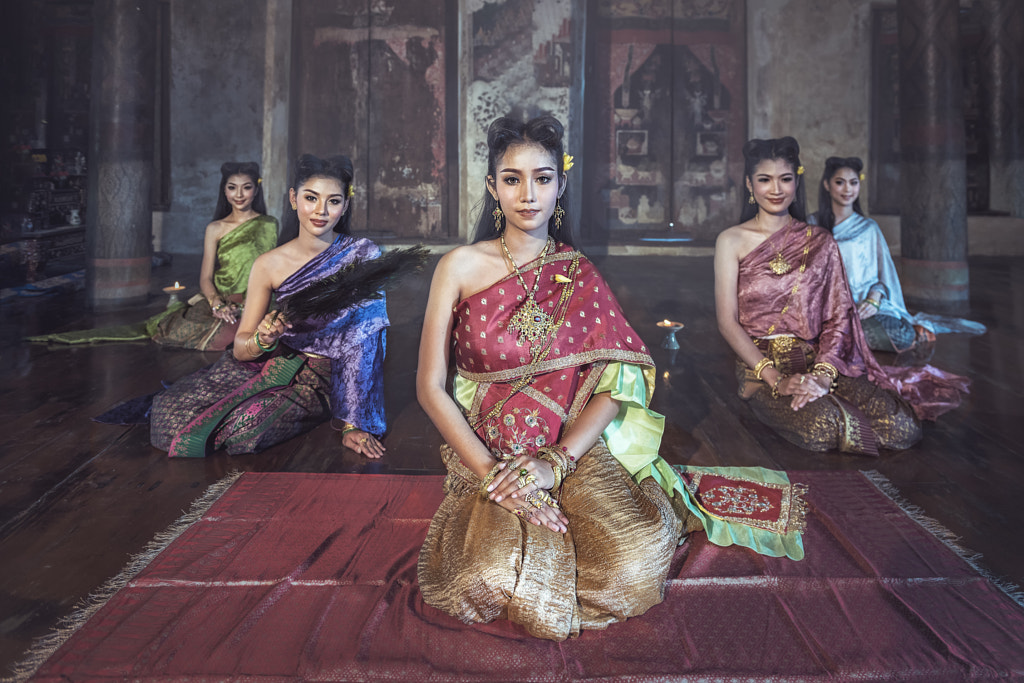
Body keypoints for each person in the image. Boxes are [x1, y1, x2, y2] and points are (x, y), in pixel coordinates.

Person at [416, 116, 807, 642]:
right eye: (512, 179)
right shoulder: (459, 266)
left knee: (636, 563)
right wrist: (495, 475)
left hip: (571, 446)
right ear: (492, 188)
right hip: (490, 449)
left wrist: (556, 464)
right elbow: (429, 386)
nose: (528, 194)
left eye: (543, 178)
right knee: (484, 577)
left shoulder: (579, 271)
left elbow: (612, 388)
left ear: (562, 184)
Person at [714, 137, 967, 457]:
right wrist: (776, 379)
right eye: (765, 179)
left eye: (785, 179)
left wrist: (820, 376)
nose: (775, 189)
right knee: (823, 426)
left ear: (797, 183)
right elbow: (727, 321)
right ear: (750, 185)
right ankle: (783, 400)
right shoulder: (731, 241)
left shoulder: (820, 241)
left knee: (902, 425)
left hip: (820, 362)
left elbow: (839, 316)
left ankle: (823, 394)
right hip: (762, 368)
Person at [149, 154, 388, 458]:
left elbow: (368, 342)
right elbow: (240, 347)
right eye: (311, 198)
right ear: (293, 198)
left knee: (246, 428)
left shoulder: (361, 255)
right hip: (281, 361)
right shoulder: (268, 264)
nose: (321, 211)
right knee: (169, 412)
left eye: (333, 201)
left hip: (331, 377)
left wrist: (354, 422)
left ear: (345, 206)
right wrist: (264, 338)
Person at [27, 162, 278, 350]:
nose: (239, 194)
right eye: (232, 188)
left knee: (256, 334)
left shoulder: (269, 224)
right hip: (221, 298)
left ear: (256, 191)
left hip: (256, 298)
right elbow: (205, 277)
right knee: (177, 332)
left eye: (246, 188)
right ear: (224, 191)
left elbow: (273, 271)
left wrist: (252, 302)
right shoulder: (215, 228)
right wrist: (215, 303)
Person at [810, 156, 985, 352]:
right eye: (839, 182)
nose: (847, 189)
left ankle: (841, 338)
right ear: (827, 185)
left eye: (853, 182)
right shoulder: (812, 224)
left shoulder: (868, 229)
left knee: (902, 336)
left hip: (862, 307)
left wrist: (874, 299)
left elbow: (883, 276)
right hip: (825, 308)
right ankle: (841, 337)